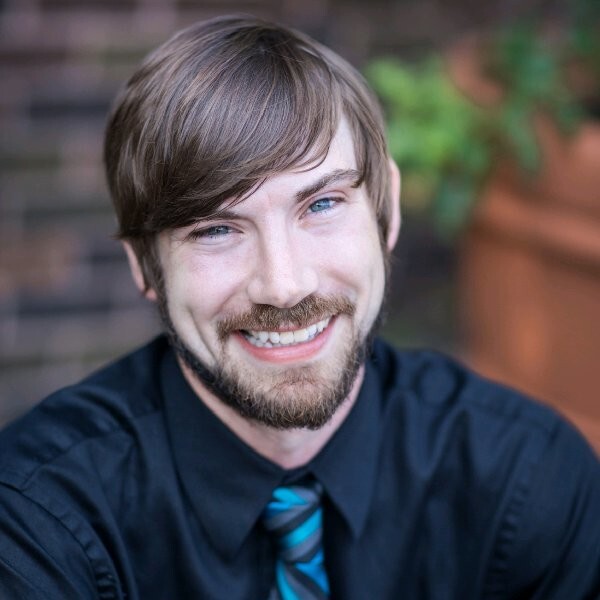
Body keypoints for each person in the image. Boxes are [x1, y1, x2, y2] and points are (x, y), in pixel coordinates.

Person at [0, 15, 598, 600]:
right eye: (214, 230)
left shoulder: (529, 480)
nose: (284, 286)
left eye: (322, 205)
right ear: (143, 266)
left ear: (386, 209)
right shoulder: (39, 521)